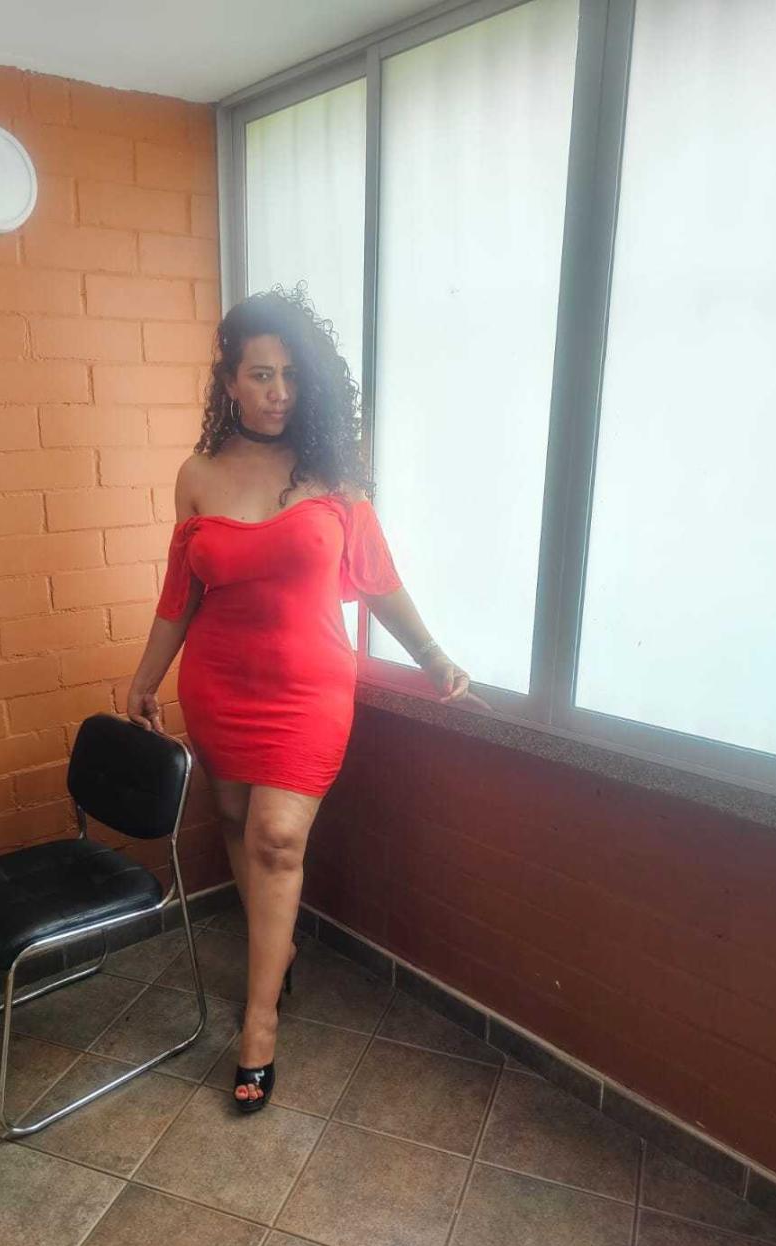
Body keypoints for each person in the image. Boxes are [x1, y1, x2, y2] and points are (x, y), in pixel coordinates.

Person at [126, 287, 485, 1114]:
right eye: (261, 374)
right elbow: (181, 593)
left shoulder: (332, 476)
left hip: (308, 689)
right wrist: (145, 678)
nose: (278, 391)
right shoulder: (197, 476)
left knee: (278, 837)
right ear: (230, 382)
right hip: (219, 682)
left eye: (291, 375)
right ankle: (276, 955)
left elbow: (380, 579)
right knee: (231, 821)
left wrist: (432, 656)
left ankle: (259, 1025)